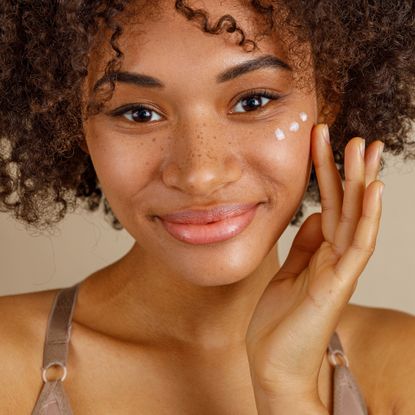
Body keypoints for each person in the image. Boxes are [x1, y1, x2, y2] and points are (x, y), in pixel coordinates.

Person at [0, 0, 414, 413]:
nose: (201, 174)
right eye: (139, 113)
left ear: (329, 100)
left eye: (253, 101)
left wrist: (286, 390)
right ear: (74, 122)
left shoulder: (399, 365)